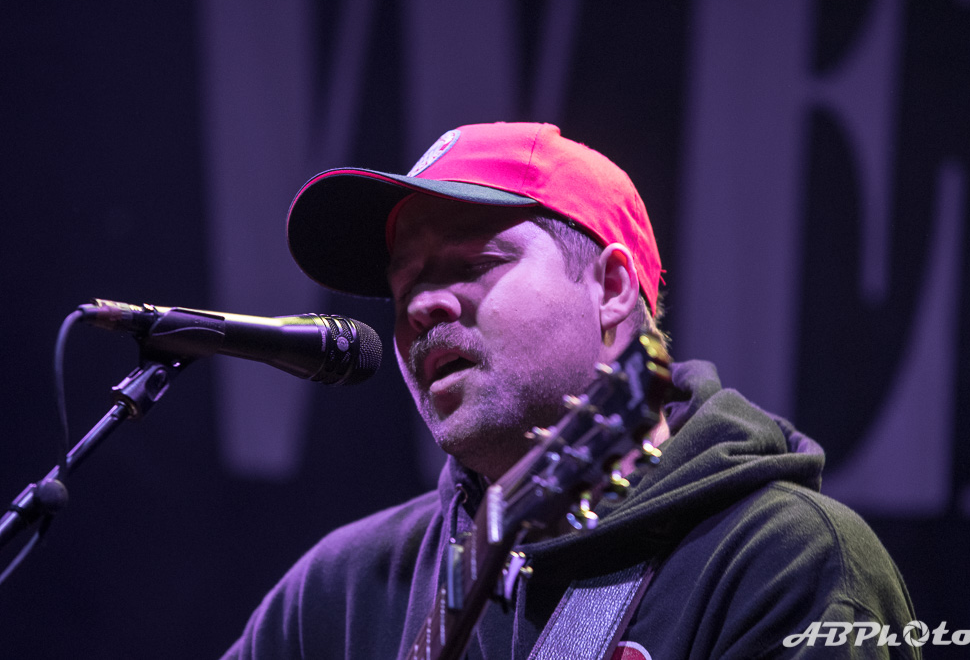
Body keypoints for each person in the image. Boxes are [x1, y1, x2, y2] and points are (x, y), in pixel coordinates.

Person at [223, 122, 918, 658]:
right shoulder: (341, 589)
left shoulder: (785, 562)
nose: (422, 306)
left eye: (473, 263)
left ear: (610, 288)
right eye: (404, 286)